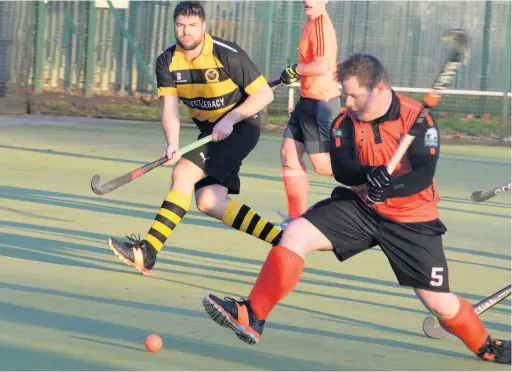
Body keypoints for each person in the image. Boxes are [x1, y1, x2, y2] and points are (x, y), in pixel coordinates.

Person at [202, 53, 511, 365]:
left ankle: (486, 345)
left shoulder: (417, 119)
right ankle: (252, 314)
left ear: (378, 89)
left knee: (440, 304)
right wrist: (369, 176)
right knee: (295, 233)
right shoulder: (343, 122)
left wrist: (389, 186)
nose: (345, 101)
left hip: (412, 220)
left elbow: (423, 173)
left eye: (353, 95)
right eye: (344, 93)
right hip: (362, 209)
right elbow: (343, 169)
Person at [108, 1, 282, 275]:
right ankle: (284, 241)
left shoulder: (228, 54)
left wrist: (230, 119)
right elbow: (170, 109)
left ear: (203, 26)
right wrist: (172, 143)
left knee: (184, 173)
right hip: (209, 131)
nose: (185, 31)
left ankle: (148, 251)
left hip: (241, 125)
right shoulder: (167, 61)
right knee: (209, 201)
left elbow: (264, 95)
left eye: (191, 26)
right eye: (180, 25)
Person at [277, 0, 341, 227]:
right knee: (289, 154)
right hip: (307, 100)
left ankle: (373, 182)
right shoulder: (310, 23)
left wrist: (295, 69)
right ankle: (296, 219)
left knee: (323, 166)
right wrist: (296, 72)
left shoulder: (322, 25)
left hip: (322, 103)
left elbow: (322, 66)